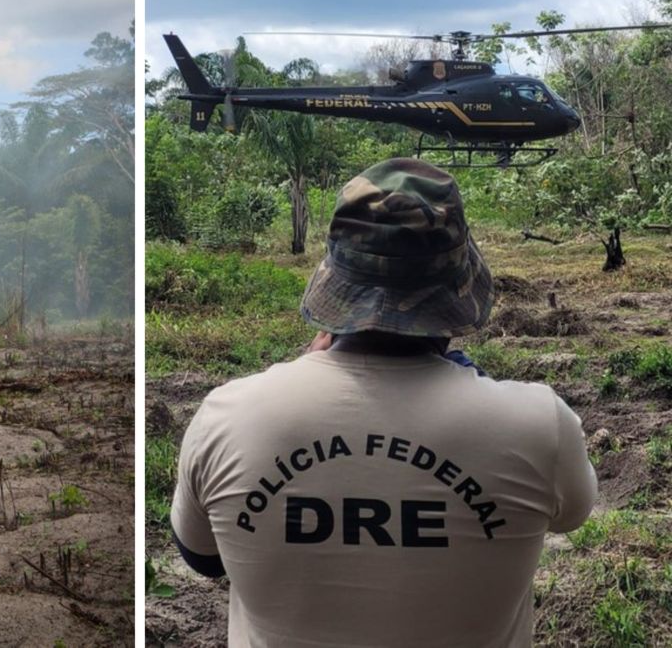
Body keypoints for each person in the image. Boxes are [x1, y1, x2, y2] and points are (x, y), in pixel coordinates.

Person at [170, 157, 597, 648]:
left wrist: (300, 372)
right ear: (459, 283)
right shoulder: (540, 425)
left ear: (336, 284)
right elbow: (573, 514)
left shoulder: (229, 415)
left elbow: (203, 558)